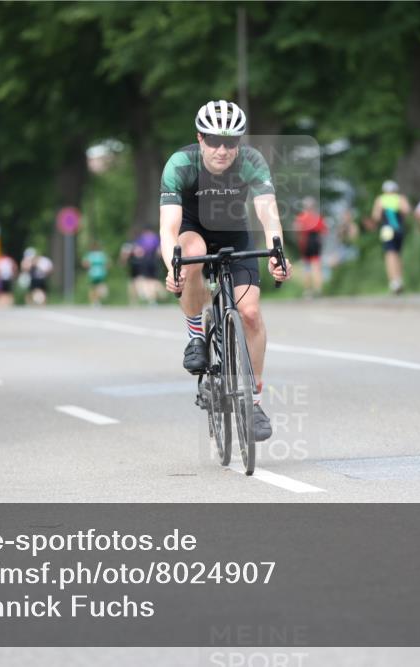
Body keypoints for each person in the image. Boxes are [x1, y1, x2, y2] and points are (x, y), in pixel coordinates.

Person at [159, 99, 291, 441]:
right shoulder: (181, 164)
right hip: (193, 230)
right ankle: (195, 335)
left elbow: (268, 213)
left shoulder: (251, 162)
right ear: (199, 138)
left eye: (230, 141)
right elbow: (168, 227)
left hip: (235, 234)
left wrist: (277, 252)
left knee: (249, 313)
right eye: (214, 140)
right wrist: (171, 266)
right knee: (192, 255)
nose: (222, 149)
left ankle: (256, 401)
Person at [368, 180, 411, 294]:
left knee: (389, 255)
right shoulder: (400, 198)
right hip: (399, 228)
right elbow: (406, 211)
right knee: (398, 254)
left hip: (387, 229)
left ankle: (393, 282)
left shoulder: (381, 199)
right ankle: (400, 280)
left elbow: (376, 216)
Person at [295, 197, 327, 297]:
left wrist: (300, 243)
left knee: (307, 267)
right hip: (315, 241)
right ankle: (318, 289)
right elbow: (323, 232)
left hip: (306, 241)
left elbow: (297, 230)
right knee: (316, 266)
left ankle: (308, 290)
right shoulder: (318, 217)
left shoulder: (301, 217)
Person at [83, 241, 109, 307]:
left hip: (93, 273)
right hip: (100, 273)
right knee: (98, 287)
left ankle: (94, 301)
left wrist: (89, 268)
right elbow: (106, 264)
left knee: (93, 288)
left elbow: (85, 263)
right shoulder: (101, 254)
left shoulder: (90, 255)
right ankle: (96, 301)